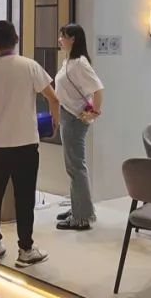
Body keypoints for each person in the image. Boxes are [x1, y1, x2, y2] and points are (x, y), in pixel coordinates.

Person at [0, 20, 59, 266]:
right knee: (24, 197)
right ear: (16, 39)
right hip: (25, 142)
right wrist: (55, 121)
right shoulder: (29, 66)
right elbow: (52, 97)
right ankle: (26, 249)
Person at [54, 23, 104, 231]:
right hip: (68, 115)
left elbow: (98, 88)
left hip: (75, 118)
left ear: (73, 39)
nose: (60, 40)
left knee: (76, 166)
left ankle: (82, 216)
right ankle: (78, 207)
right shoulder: (69, 61)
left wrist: (94, 112)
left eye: (63, 36)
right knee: (73, 166)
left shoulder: (80, 63)